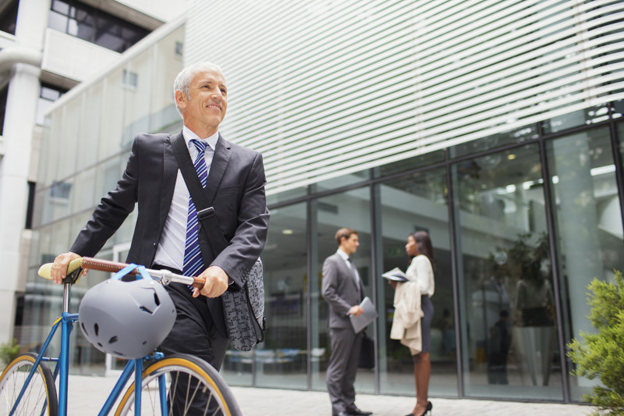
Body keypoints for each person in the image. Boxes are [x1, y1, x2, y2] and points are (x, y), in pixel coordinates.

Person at [50, 62, 269, 403]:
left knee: (191, 396)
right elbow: (114, 207)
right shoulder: (150, 150)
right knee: (200, 391)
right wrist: (77, 251)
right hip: (159, 285)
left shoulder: (247, 162)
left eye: (224, 90)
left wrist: (222, 269)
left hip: (214, 295)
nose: (218, 95)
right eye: (208, 87)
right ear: (181, 99)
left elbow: (254, 226)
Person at [322, 228, 372, 416]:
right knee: (338, 368)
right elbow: (328, 292)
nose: (357, 243)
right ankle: (338, 408)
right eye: (354, 240)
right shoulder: (332, 262)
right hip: (342, 324)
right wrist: (348, 308)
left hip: (356, 325)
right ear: (343, 240)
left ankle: (349, 405)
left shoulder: (351, 264)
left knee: (350, 368)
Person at [389, 231, 435, 416]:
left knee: (422, 354)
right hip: (417, 306)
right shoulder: (416, 261)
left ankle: (423, 404)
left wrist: (404, 282)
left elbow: (423, 287)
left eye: (410, 242)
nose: (406, 246)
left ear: (419, 244)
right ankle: (420, 403)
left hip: (421, 306)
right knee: (417, 354)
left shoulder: (421, 260)